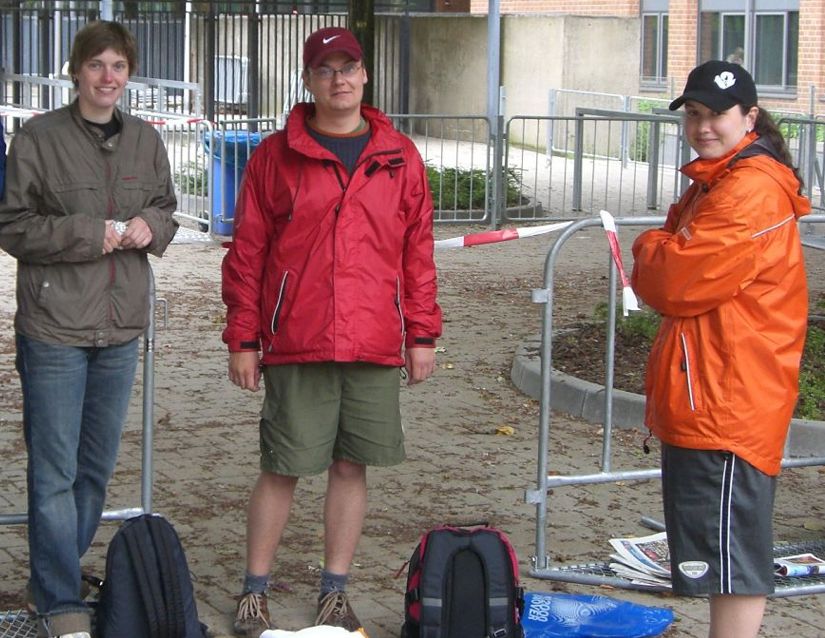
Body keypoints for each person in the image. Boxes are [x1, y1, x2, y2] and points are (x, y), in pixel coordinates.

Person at [222, 26, 442, 636]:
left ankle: (335, 592)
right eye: (325, 70)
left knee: (351, 467)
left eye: (348, 67)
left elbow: (417, 252)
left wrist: (421, 334)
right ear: (308, 80)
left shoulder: (400, 155)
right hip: (299, 335)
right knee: (282, 465)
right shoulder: (275, 156)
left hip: (373, 336)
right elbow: (247, 253)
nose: (338, 79)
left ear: (364, 74)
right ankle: (255, 591)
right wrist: (243, 339)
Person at [0, 21, 178, 638]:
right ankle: (58, 599)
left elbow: (167, 208)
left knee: (95, 468)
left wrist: (153, 226)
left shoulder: (146, 140)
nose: (108, 77)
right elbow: (12, 225)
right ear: (76, 70)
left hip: (120, 327)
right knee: (54, 470)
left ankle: (52, 576)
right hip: (55, 326)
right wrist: (86, 233)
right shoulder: (38, 138)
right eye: (97, 65)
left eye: (118, 66)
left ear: (130, 73)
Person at [631, 60, 810, 638]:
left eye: (716, 114)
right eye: (693, 113)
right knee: (722, 555)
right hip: (713, 392)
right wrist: (667, 246)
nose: (702, 126)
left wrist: (650, 243)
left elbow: (672, 281)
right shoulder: (719, 180)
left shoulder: (748, 189)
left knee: (732, 561)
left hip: (727, 400)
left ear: (749, 117)